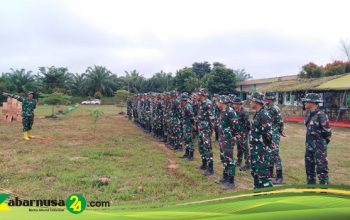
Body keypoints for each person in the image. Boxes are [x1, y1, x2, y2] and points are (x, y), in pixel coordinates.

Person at [302, 93, 332, 184]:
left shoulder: (321, 115)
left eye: (306, 101)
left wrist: (321, 146)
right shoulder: (308, 114)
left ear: (313, 102)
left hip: (319, 148)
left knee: (321, 169)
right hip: (309, 146)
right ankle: (311, 188)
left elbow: (327, 133)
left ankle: (324, 190)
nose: (305, 103)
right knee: (309, 168)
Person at [249, 92, 273, 189]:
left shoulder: (264, 114)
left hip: (261, 151)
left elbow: (268, 135)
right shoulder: (258, 113)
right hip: (255, 149)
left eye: (251, 100)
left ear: (256, 102)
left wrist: (263, 148)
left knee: (263, 175)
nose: (250, 102)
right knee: (255, 172)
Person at [215, 95, 240, 189]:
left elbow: (236, 126)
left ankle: (231, 181)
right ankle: (225, 177)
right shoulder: (222, 111)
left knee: (229, 160)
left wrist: (233, 137)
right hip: (222, 139)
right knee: (224, 159)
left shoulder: (230, 112)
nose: (217, 103)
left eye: (218, 102)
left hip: (228, 140)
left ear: (222, 102)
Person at [264, 92, 285, 184]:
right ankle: (270, 173)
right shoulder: (266, 107)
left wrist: (280, 132)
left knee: (275, 154)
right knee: (269, 153)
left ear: (270, 99)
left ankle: (279, 176)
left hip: (274, 134)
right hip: (268, 134)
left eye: (266, 98)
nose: (265, 100)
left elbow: (280, 122)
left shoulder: (275, 108)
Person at [197, 88, 215, 176]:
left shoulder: (208, 104)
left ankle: (210, 168)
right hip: (201, 129)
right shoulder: (201, 103)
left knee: (207, 148)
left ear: (203, 95)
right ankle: (204, 164)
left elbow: (212, 118)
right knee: (201, 146)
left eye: (199, 95)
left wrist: (211, 131)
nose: (197, 96)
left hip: (206, 130)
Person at [232, 97, 251, 171]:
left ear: (239, 104)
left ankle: (248, 164)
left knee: (245, 148)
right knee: (239, 147)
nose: (234, 105)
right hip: (238, 132)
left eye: (235, 104)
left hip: (243, 132)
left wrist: (245, 133)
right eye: (234, 104)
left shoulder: (244, 112)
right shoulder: (235, 111)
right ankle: (239, 161)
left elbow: (248, 124)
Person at [179, 92, 195, 160]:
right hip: (185, 125)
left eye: (181, 100)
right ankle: (186, 153)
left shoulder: (188, 106)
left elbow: (192, 117)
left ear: (183, 100)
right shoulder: (184, 106)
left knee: (189, 140)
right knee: (186, 140)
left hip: (188, 126)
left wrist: (192, 125)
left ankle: (191, 155)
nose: (180, 101)